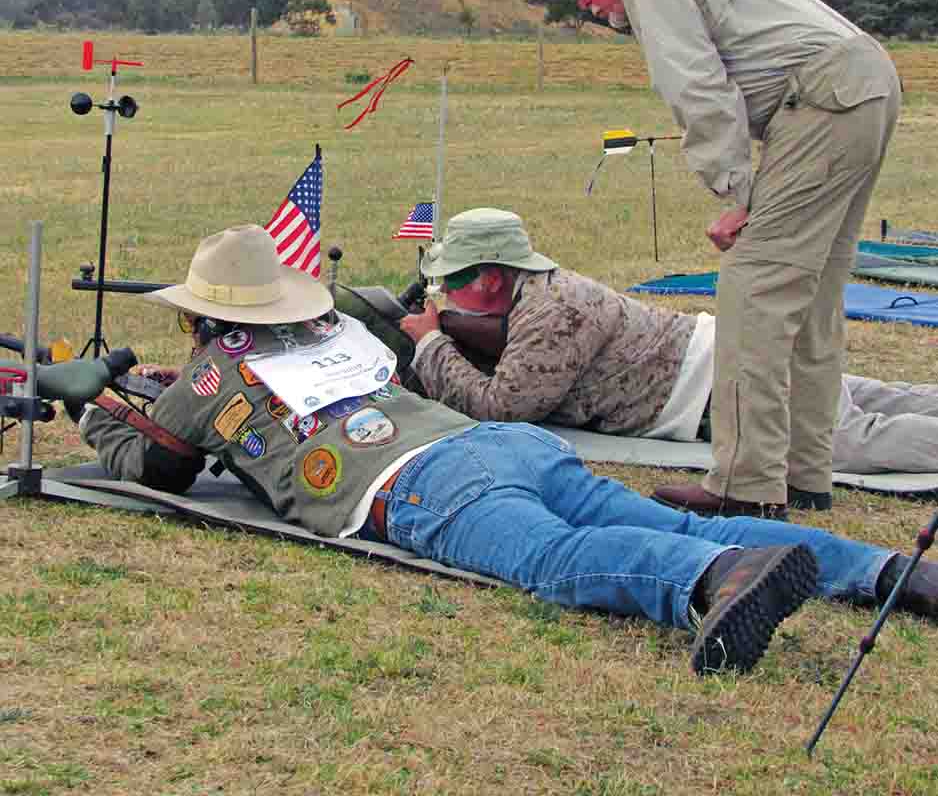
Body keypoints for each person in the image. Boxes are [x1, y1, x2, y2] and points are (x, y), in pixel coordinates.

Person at [78, 224, 937, 674]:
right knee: (662, 522)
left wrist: (92, 412)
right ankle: (886, 571)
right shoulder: (333, 326)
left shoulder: (211, 373)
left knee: (556, 560)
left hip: (417, 485)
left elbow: (164, 468)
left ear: (201, 317)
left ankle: (711, 587)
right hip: (497, 443)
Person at [537, 0, 902, 518]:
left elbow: (699, 89)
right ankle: (804, 472)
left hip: (821, 102)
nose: (584, 1)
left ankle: (746, 483)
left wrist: (739, 195)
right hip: (863, 87)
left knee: (754, 292)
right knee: (810, 297)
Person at [398, 209, 938, 491]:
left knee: (852, 440)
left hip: (719, 389)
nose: (446, 294)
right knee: (882, 399)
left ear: (491, 279)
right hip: (727, 354)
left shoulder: (548, 314)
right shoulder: (546, 290)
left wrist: (431, 343)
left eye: (453, 282)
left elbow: (502, 409)